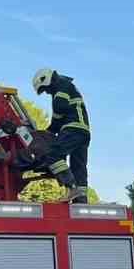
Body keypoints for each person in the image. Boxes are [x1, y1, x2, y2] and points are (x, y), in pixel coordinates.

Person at [30, 68, 91, 204]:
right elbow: (60, 116)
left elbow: (60, 107)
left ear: (46, 80)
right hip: (83, 132)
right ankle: (80, 200)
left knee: (53, 155)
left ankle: (71, 187)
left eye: (45, 89)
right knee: (78, 167)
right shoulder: (67, 86)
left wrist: (49, 131)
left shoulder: (61, 85)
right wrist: (50, 131)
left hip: (72, 129)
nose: (47, 92)